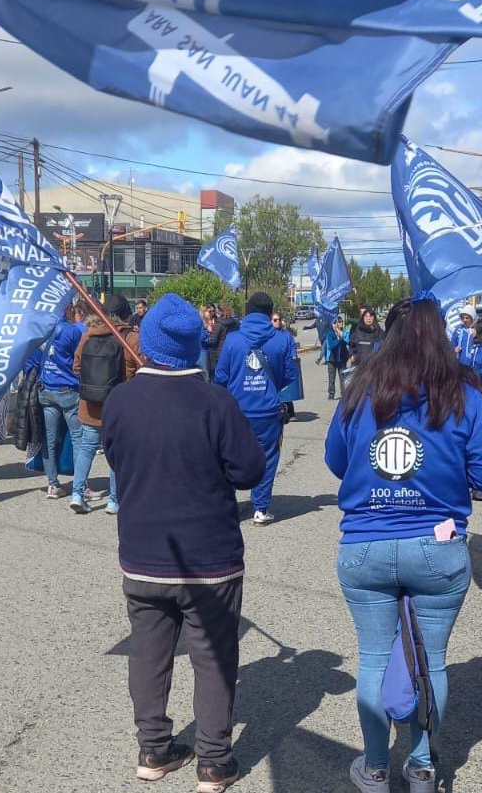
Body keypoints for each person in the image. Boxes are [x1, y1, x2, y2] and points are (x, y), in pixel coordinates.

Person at [325, 296, 482, 793]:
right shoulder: (464, 396)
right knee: (432, 660)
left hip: (365, 543)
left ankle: (374, 767)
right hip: (438, 546)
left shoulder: (359, 390)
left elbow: (336, 461)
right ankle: (423, 765)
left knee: (373, 658)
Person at [102, 294, 265, 793]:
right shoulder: (215, 402)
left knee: (148, 654)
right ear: (195, 346)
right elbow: (250, 470)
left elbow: (115, 458)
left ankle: (153, 749)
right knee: (213, 657)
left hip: (144, 556)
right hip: (209, 561)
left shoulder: (120, 401)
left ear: (148, 345)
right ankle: (214, 762)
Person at [215, 292, 296, 526]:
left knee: (229, 457)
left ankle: (227, 505)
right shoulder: (281, 339)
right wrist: (269, 387)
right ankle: (260, 508)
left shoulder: (233, 340)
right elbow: (289, 375)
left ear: (248, 311)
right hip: (268, 411)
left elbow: (221, 376)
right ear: (270, 313)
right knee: (268, 458)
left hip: (236, 410)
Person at [73, 294, 141, 514]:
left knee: (86, 448)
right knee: (116, 453)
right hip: (119, 405)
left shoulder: (87, 336)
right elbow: (140, 370)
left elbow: (76, 367)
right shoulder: (129, 338)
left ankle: (77, 494)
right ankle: (114, 500)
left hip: (90, 404)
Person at [37, 302, 88, 500]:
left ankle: (52, 484)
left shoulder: (45, 331)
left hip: (47, 388)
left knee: (49, 439)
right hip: (68, 389)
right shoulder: (72, 331)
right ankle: (80, 486)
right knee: (78, 439)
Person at [271, 310, 300, 423]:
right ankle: (277, 411)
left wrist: (294, 356)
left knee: (287, 388)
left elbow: (292, 347)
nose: (277, 322)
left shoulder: (287, 335)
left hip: (286, 363)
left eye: (278, 319)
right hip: (274, 364)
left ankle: (290, 411)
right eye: (275, 320)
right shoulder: (269, 335)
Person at [325, 317, 350, 400]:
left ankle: (344, 394)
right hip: (332, 359)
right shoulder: (330, 333)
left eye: (341, 322)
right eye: (339, 322)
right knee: (331, 378)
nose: (341, 324)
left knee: (343, 378)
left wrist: (341, 334)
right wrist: (339, 339)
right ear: (334, 324)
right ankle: (331, 394)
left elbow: (348, 341)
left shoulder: (345, 332)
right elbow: (331, 345)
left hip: (342, 359)